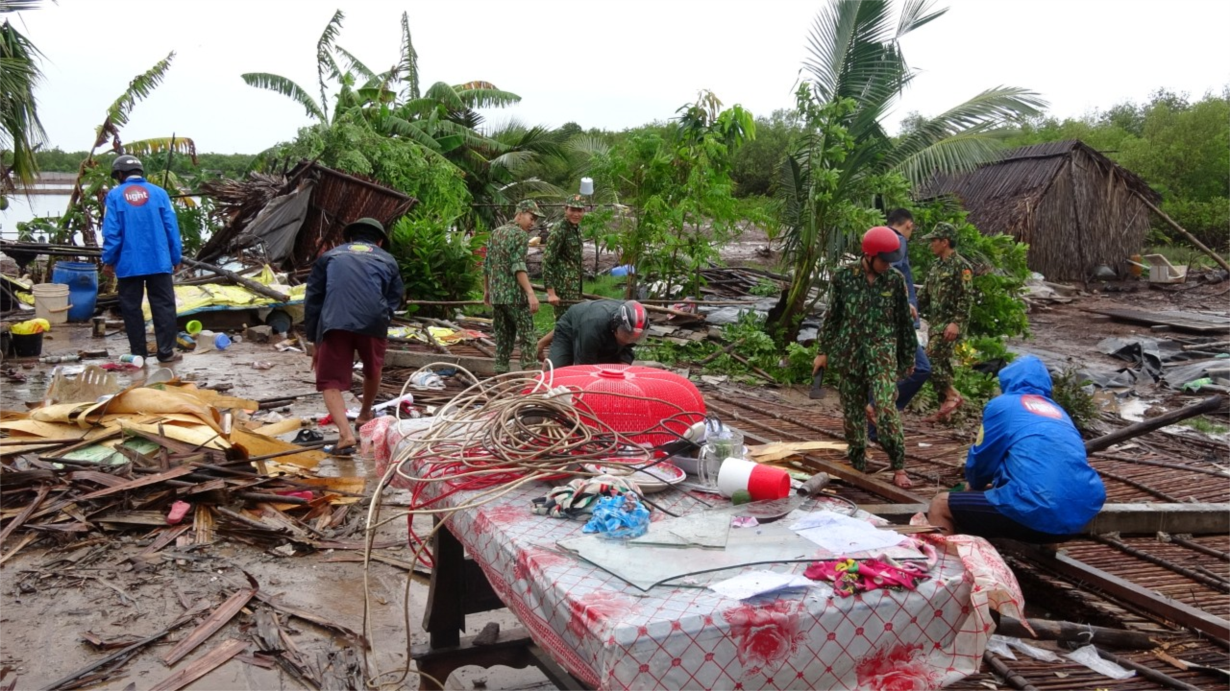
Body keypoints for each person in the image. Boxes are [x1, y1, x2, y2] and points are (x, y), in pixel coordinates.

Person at [927, 355, 1105, 541]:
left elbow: (983, 459)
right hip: (1078, 514)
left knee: (941, 505)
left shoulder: (1003, 405)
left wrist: (974, 485)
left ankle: (942, 565)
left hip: (1033, 511)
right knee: (1047, 487)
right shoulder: (1059, 412)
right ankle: (1047, 546)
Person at [813, 226, 919, 489]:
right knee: (852, 414)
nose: (887, 265)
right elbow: (833, 317)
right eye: (883, 260)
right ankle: (858, 460)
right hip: (850, 354)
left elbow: (904, 324)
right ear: (868, 255)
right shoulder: (843, 277)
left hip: (882, 355)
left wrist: (907, 358)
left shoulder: (894, 281)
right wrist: (822, 352)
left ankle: (898, 465)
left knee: (885, 409)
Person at [303, 218, 404, 456]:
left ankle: (345, 435)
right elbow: (395, 296)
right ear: (379, 241)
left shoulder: (330, 257)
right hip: (373, 321)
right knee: (373, 367)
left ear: (349, 238)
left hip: (335, 322)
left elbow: (313, 299)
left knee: (329, 381)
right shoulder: (387, 259)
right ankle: (365, 413)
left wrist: (314, 340)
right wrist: (382, 315)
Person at [101, 154, 183, 364]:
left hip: (129, 263)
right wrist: (175, 256)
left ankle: (138, 354)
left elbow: (112, 231)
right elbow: (171, 227)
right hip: (159, 260)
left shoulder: (115, 196)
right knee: (164, 305)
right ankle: (166, 352)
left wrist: (109, 259)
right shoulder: (160, 193)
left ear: (120, 174)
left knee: (131, 308)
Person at [868, 208, 932, 441]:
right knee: (920, 368)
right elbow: (892, 275)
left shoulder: (878, 240)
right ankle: (877, 409)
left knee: (885, 370)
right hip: (896, 321)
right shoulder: (898, 241)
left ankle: (874, 428)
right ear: (909, 225)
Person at [918, 222, 974, 421]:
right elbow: (924, 294)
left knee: (929, 360)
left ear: (945, 242)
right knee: (941, 363)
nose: (931, 244)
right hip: (936, 324)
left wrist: (956, 323)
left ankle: (951, 395)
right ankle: (946, 410)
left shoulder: (961, 266)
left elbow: (966, 298)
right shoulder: (936, 266)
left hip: (949, 325)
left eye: (934, 240)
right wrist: (912, 308)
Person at [484, 200, 544, 374]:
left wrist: (487, 290)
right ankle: (529, 379)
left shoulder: (496, 233)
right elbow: (518, 265)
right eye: (531, 218)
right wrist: (530, 293)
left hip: (497, 296)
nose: (532, 223)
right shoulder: (520, 235)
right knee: (528, 338)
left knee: (503, 338)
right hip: (515, 297)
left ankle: (501, 380)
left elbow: (487, 264)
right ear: (520, 214)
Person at [537, 299, 648, 368]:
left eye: (632, 337)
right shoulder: (592, 330)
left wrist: (623, 367)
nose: (629, 339)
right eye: (626, 335)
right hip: (572, 325)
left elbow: (627, 351)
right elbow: (584, 368)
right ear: (616, 324)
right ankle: (541, 347)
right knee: (555, 373)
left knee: (614, 372)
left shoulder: (637, 325)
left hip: (599, 325)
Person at [543, 194, 587, 319]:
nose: (576, 214)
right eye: (572, 210)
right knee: (564, 324)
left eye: (579, 210)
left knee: (573, 322)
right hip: (563, 288)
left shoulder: (576, 228)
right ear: (565, 209)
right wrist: (551, 293)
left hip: (575, 287)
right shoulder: (559, 229)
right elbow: (547, 261)